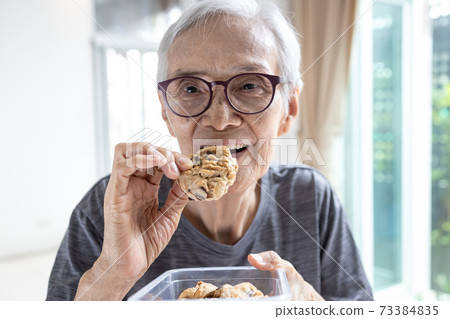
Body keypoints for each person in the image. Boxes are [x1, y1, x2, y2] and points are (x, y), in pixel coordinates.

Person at [47, 0, 372, 301]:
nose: (218, 120)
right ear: (165, 112)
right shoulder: (112, 207)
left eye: (249, 85)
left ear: (288, 109)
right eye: (190, 88)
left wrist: (311, 306)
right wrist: (115, 274)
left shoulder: (310, 198)